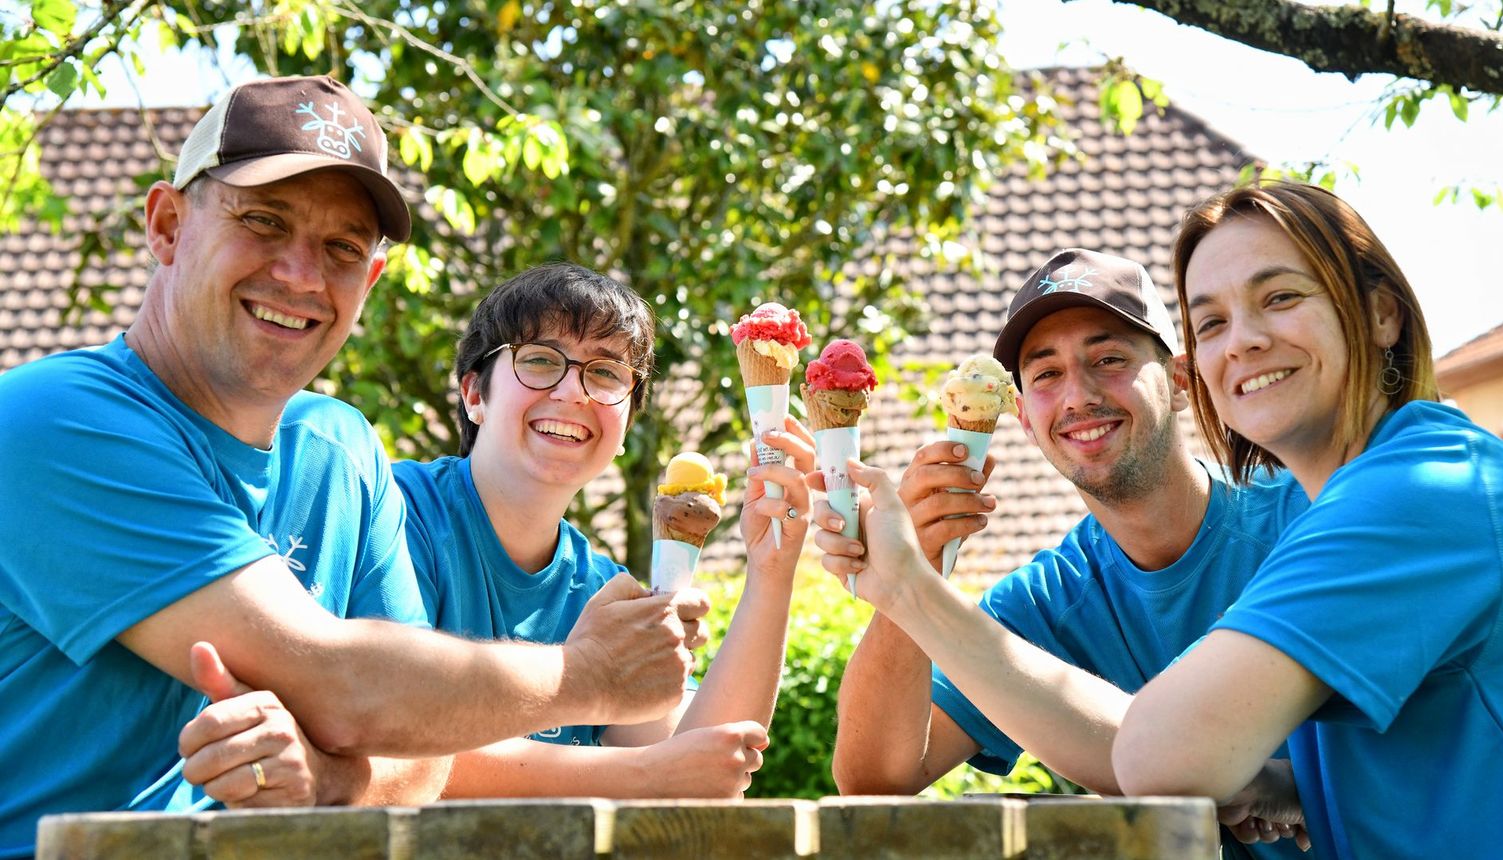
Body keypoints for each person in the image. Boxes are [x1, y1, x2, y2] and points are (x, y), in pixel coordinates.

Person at [0, 75, 701, 857]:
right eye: (264, 221)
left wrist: (327, 781)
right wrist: (590, 674)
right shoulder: (51, 420)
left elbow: (422, 755)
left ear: (368, 281)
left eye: (340, 248)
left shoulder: (340, 450)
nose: (301, 275)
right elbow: (342, 686)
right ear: (167, 225)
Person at [822, 248, 1310, 853]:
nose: (1077, 396)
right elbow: (873, 780)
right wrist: (914, 565)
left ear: (1180, 382)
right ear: (1023, 417)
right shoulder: (1049, 599)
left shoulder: (1307, 521)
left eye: (1108, 359)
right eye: (1046, 373)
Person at [1112, 181, 1503, 858]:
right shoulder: (1366, 495)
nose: (1241, 342)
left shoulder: (1419, 494)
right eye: (1211, 322)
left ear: (1381, 316)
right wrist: (1300, 780)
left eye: (1279, 297)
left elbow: (1158, 755)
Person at [391, 263, 814, 798]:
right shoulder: (396, 513)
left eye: (606, 373)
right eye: (541, 361)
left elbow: (696, 773)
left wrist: (772, 569)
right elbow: (389, 742)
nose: (574, 392)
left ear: (625, 427)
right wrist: (644, 777)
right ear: (475, 394)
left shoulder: (603, 590)